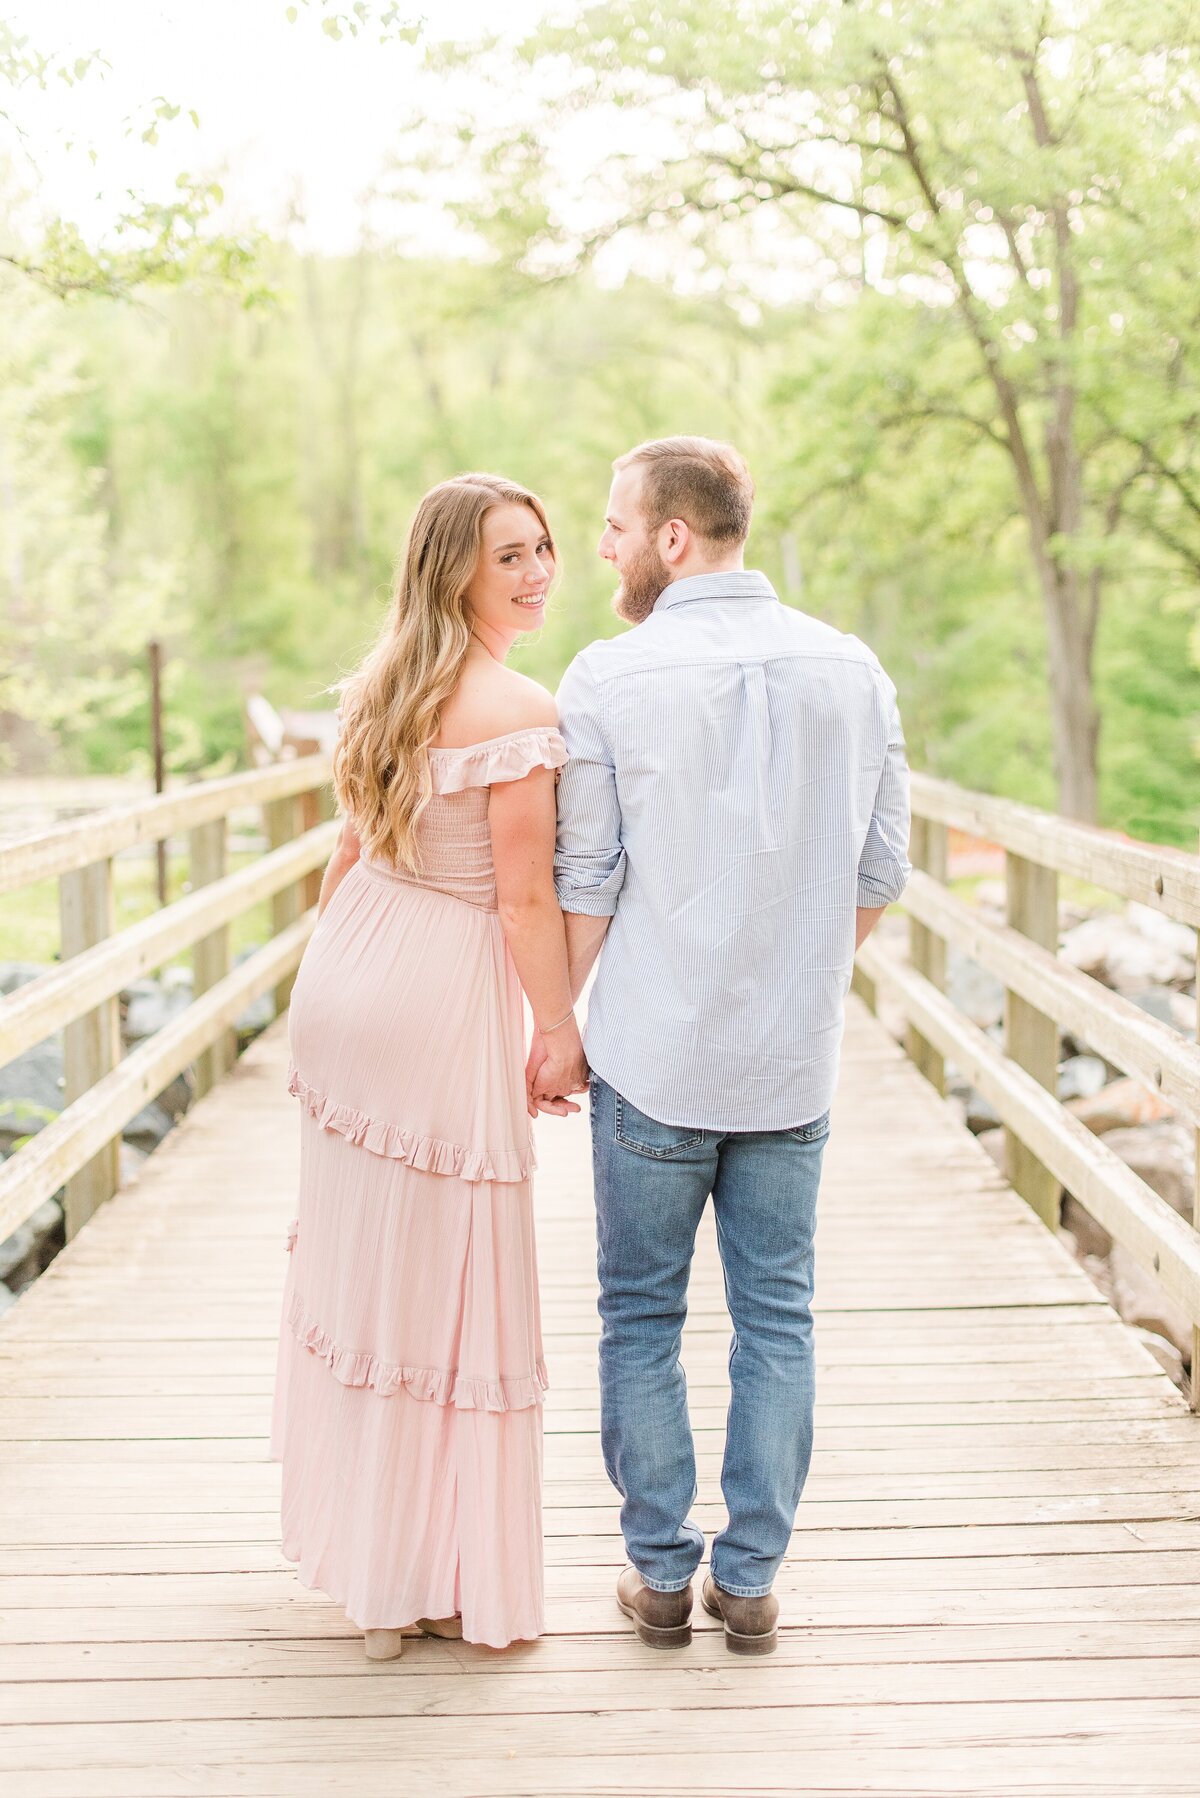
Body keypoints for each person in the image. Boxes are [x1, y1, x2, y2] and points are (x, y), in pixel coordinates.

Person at [532, 435, 911, 1655]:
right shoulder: (855, 668)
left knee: (640, 1315)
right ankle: (748, 1579)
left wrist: (550, 1027)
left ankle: (657, 1576)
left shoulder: (606, 674)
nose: (600, 548)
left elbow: (585, 876)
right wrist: (792, 973)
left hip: (653, 1055)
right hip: (790, 1065)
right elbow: (880, 869)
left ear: (672, 539)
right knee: (779, 1316)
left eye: (612, 526)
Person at [271, 473, 587, 1658]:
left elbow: (348, 854)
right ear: (453, 566)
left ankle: (383, 1564)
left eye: (545, 548)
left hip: (351, 967)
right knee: (448, 1282)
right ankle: (422, 1574)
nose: (539, 571)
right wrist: (556, 1030)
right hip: (436, 988)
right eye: (510, 555)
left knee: (370, 1267)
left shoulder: (382, 685)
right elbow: (520, 894)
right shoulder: (514, 706)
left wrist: (320, 984)